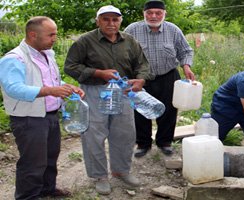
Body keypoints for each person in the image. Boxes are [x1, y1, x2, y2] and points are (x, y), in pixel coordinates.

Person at [64, 5, 153, 195]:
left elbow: (143, 65)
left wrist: (141, 80)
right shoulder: (85, 42)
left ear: (120, 21)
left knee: (124, 134)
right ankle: (100, 176)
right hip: (94, 91)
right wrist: (98, 73)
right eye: (106, 19)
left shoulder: (130, 41)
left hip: (123, 91)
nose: (111, 23)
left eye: (115, 19)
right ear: (98, 21)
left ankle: (121, 171)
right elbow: (70, 66)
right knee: (93, 135)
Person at [0, 16, 84, 200]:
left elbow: (50, 81)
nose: (55, 38)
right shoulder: (14, 59)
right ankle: (28, 196)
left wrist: (66, 87)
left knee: (50, 157)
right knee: (33, 162)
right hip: (29, 118)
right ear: (33, 35)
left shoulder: (46, 54)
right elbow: (13, 88)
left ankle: (47, 189)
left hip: (50, 115)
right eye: (51, 34)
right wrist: (50, 91)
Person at [124, 0, 195, 157]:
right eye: (149, 13)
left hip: (168, 75)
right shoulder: (132, 30)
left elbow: (186, 51)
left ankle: (164, 142)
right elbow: (123, 53)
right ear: (144, 14)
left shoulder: (173, 30)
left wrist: (186, 66)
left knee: (169, 110)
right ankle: (143, 144)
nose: (154, 16)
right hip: (141, 78)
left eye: (158, 13)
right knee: (141, 111)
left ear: (164, 14)